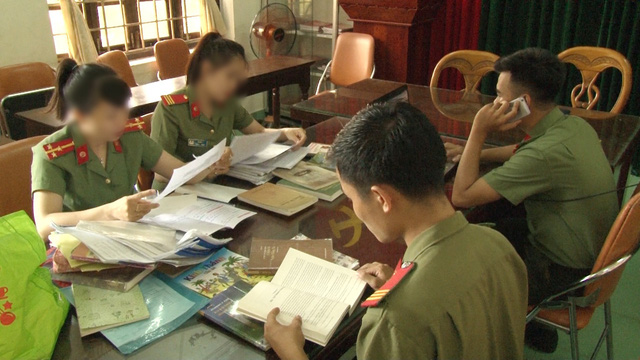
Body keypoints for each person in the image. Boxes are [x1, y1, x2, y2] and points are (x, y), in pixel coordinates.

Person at [263, 102, 528, 360]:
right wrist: (398, 287)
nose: (355, 208)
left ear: (382, 199)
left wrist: (292, 353)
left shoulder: (395, 320)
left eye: (352, 198)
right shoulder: (499, 245)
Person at [449, 48, 619, 352]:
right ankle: (534, 329)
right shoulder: (573, 125)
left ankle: (483, 341)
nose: (495, 103)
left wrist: (478, 131)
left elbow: (461, 196)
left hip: (563, 274)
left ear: (523, 104)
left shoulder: (543, 156)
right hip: (589, 257)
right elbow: (522, 153)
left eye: (500, 96)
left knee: (458, 257)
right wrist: (470, 155)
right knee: (499, 224)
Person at [31, 59, 212, 241]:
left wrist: (212, 163)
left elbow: (180, 172)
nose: (121, 122)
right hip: (81, 244)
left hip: (131, 237)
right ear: (80, 115)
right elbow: (45, 225)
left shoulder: (130, 136)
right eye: (110, 116)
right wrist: (110, 212)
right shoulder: (52, 154)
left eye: (124, 110)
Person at [150, 32, 307, 189]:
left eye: (237, 79)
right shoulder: (171, 109)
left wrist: (285, 133)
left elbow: (258, 132)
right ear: (207, 70)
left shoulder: (226, 103)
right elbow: (161, 174)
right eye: (230, 76)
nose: (234, 85)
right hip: (175, 198)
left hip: (214, 191)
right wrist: (208, 167)